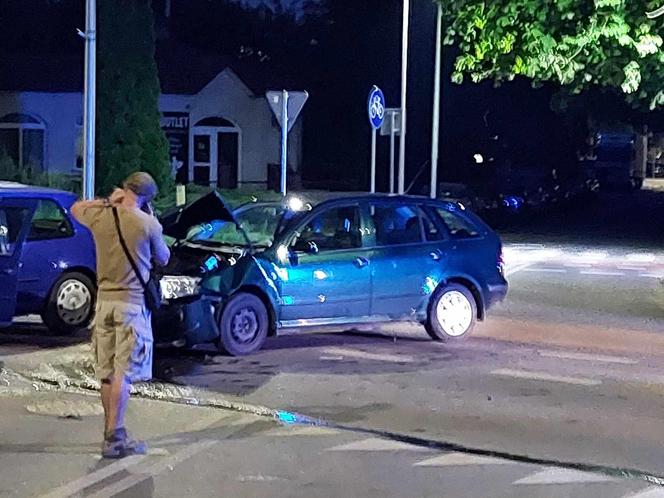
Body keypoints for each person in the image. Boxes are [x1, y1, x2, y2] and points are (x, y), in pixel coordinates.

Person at [72, 172, 170, 459]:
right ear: (147, 198)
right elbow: (163, 258)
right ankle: (115, 437)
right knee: (122, 374)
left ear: (124, 188)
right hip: (132, 305)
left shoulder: (101, 216)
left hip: (103, 304)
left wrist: (106, 201)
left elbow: (75, 208)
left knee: (105, 373)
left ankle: (109, 431)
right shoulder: (147, 223)